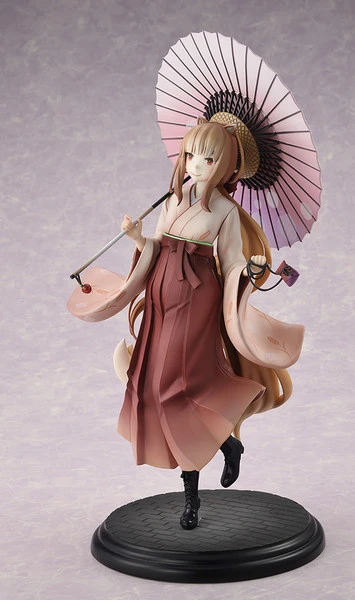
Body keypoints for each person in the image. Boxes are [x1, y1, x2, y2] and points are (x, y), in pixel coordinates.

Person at [115, 121, 304, 530]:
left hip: (196, 301)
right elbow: (158, 247)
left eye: (208, 158)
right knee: (153, 384)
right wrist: (138, 238)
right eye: (190, 155)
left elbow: (232, 261)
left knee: (180, 388)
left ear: (228, 165)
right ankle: (227, 444)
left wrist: (250, 271)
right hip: (162, 296)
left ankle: (192, 499)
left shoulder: (225, 211)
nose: (196, 164)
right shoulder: (173, 198)